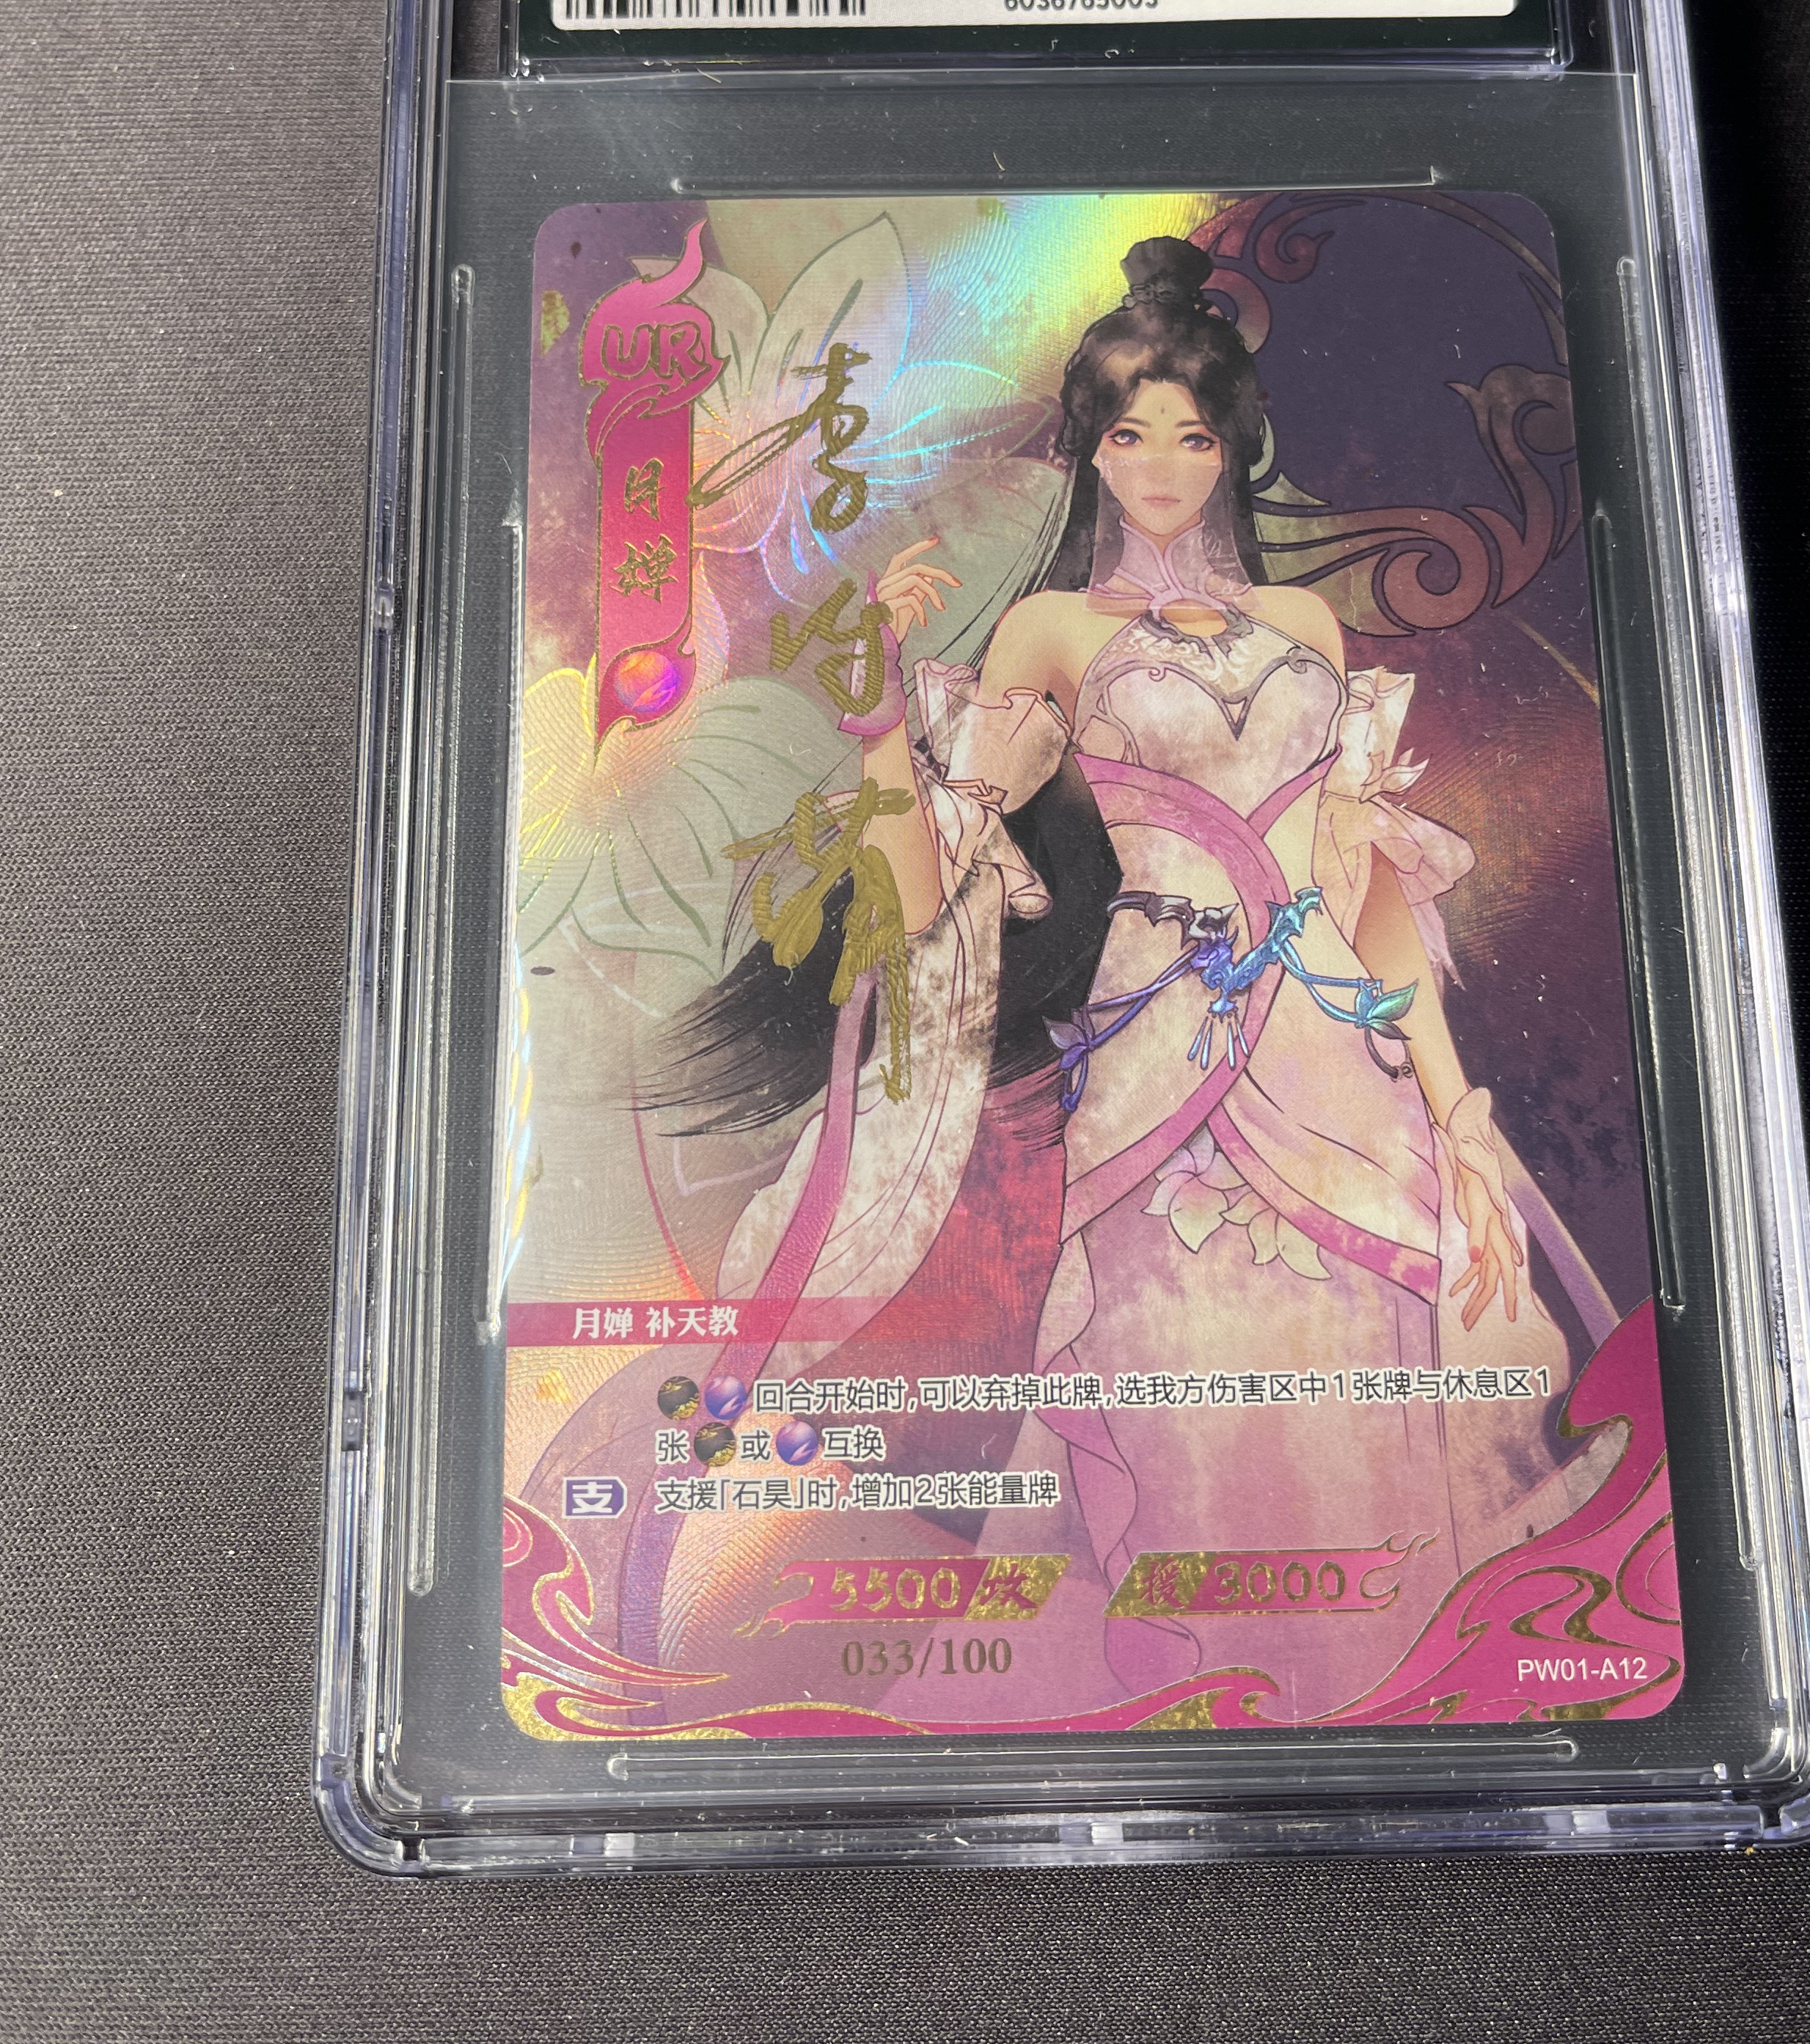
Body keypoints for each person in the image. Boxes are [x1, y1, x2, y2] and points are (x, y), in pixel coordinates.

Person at [646, 237, 1615, 1723]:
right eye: (1131, 436)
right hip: (1148, 1040)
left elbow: (1362, 878)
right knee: (1164, 1354)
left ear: (1236, 447)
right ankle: (1209, 1690)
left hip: (1325, 1045)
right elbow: (938, 886)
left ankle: (1385, 1688)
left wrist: (1453, 1106)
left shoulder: (1308, 629)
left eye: (1194, 436)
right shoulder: (1049, 632)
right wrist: (883, 727)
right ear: (1089, 449)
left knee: (1375, 1333)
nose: (1162, 468)